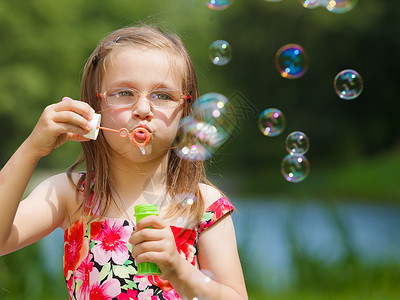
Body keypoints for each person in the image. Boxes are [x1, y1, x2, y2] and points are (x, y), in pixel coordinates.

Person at [0, 24, 248, 300]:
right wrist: (31, 149)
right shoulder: (71, 194)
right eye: (124, 93)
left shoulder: (204, 205)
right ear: (96, 108)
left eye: (163, 96)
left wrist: (180, 272)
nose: (143, 109)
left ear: (185, 112)